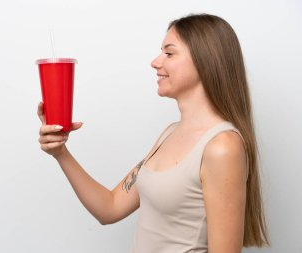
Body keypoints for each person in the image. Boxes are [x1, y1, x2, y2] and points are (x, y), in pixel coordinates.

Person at [37, 13, 270, 253]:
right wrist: (60, 152)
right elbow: (110, 208)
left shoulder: (222, 147)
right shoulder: (169, 134)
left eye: (169, 53)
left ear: (205, 61)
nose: (156, 62)